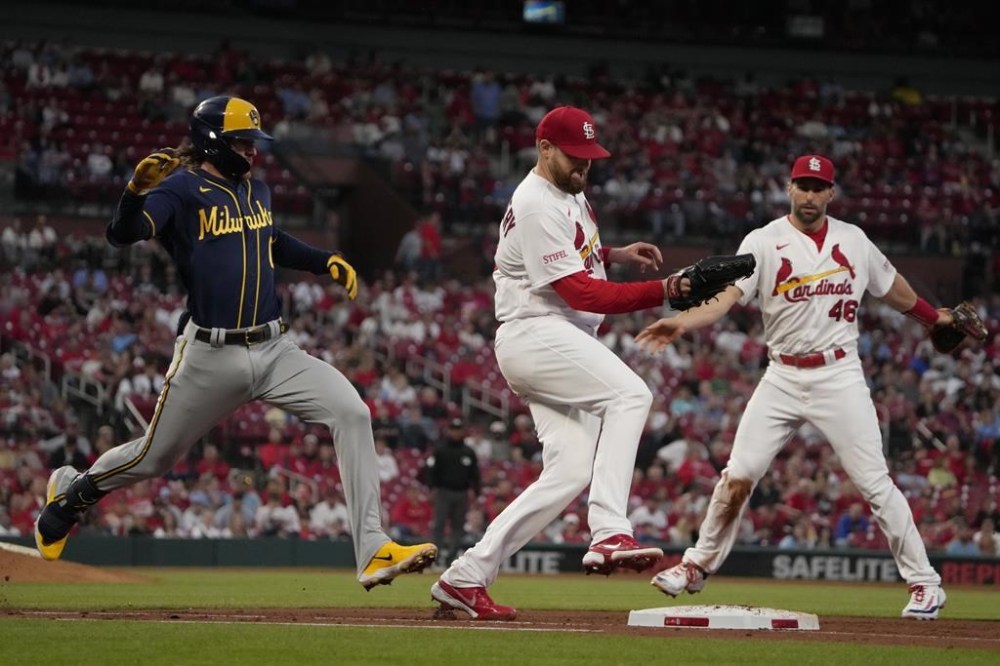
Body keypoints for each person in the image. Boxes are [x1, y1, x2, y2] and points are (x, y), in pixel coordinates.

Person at [34, 95, 436, 589]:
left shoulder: (256, 190)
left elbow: (272, 237)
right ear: (212, 141)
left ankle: (372, 549)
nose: (252, 152)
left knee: (352, 412)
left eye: (253, 143)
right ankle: (73, 495)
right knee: (154, 459)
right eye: (242, 143)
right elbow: (126, 233)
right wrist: (134, 192)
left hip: (275, 349)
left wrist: (321, 260)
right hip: (210, 354)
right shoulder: (181, 190)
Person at [637, 154, 949, 620]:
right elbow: (725, 297)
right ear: (789, 188)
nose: (809, 194)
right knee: (738, 474)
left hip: (839, 374)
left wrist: (934, 318)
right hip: (781, 375)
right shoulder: (764, 242)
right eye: (802, 185)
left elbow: (892, 287)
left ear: (830, 193)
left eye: (817, 187)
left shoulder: (854, 241)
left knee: (875, 484)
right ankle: (698, 565)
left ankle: (925, 584)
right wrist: (682, 324)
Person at [431, 106, 693, 620]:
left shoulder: (567, 193)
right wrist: (662, 290)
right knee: (631, 395)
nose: (584, 167)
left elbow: (577, 254)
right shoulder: (534, 203)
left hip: (551, 336)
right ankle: (610, 530)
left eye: (590, 159)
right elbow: (579, 291)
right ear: (544, 148)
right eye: (575, 157)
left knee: (570, 469)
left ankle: (466, 576)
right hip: (537, 332)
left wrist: (614, 253)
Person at [424, 418, 482, 566]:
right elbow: (431, 471)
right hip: (443, 491)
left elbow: (475, 474)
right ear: (449, 430)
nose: (456, 432)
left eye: (458, 429)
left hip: (461, 493)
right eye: (453, 429)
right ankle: (434, 558)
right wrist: (431, 488)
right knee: (439, 525)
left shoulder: (468, 452)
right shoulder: (440, 450)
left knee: (458, 527)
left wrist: (476, 491)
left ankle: (451, 558)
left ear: (462, 431)